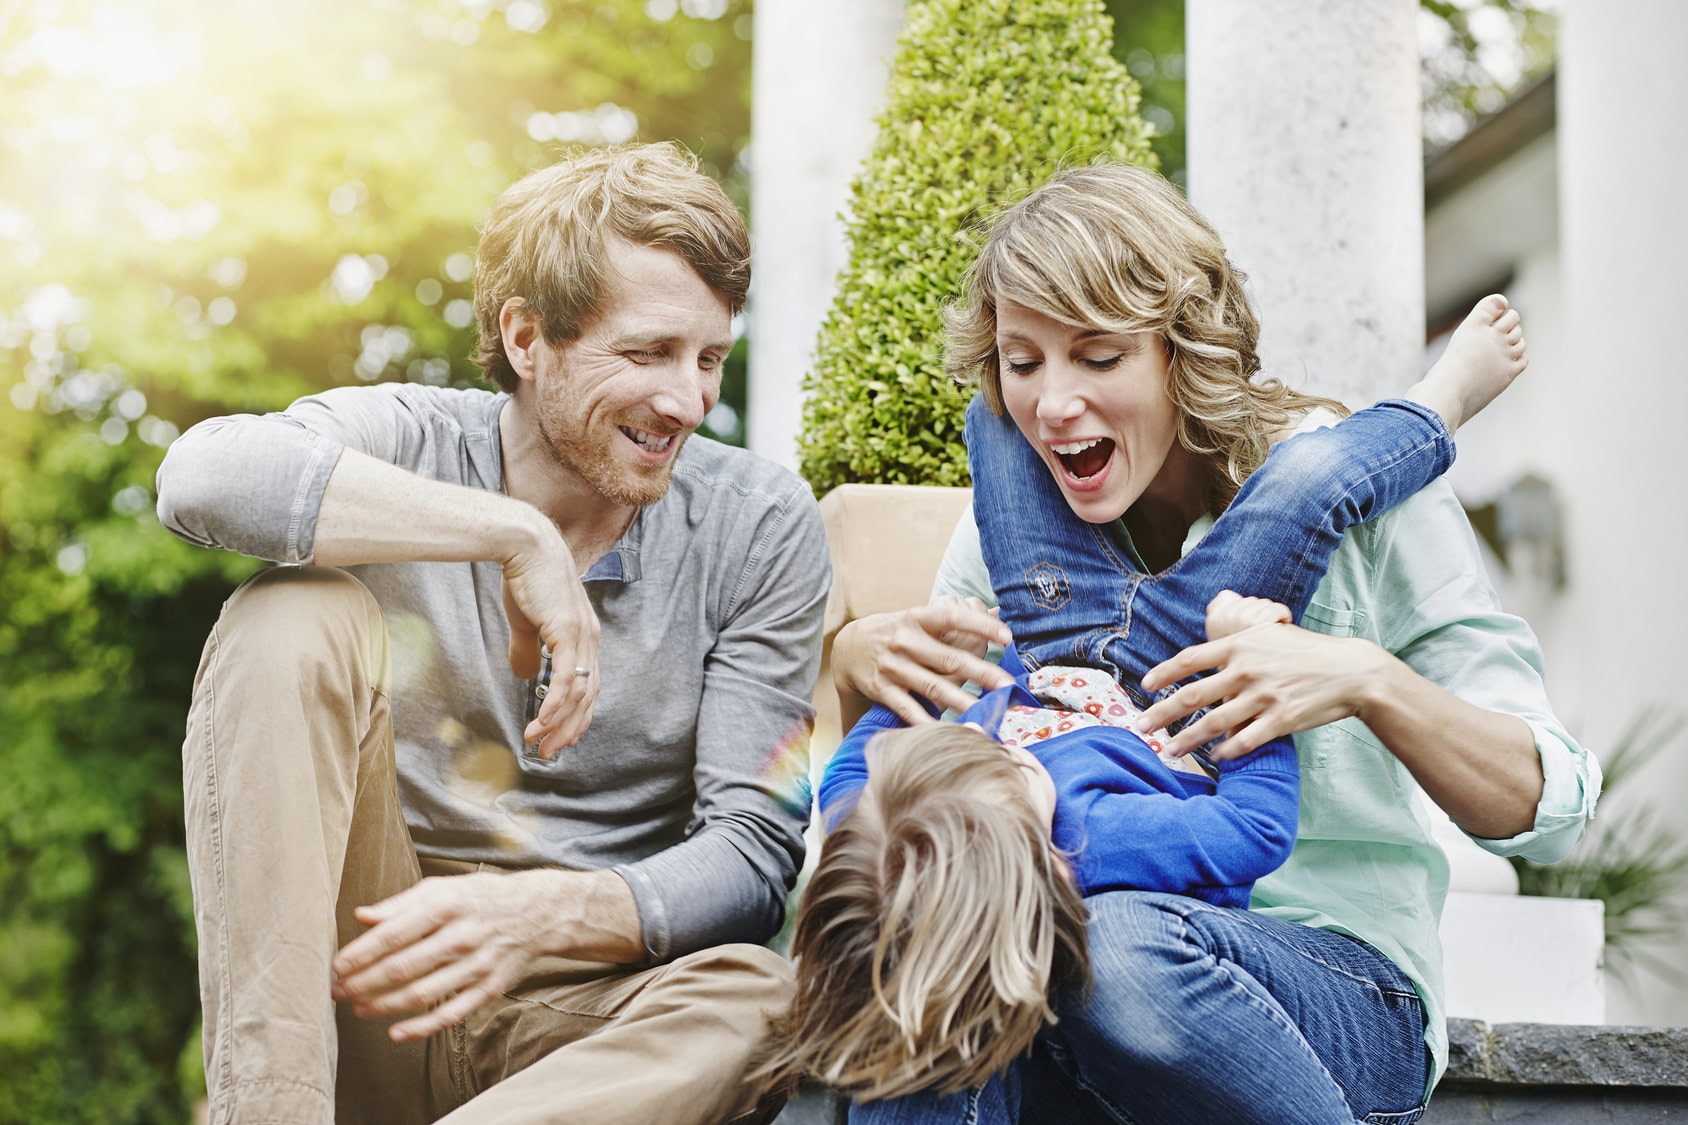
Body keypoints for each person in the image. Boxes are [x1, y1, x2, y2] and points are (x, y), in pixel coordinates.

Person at [828, 162, 1600, 1124]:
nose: (1054, 404)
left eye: (1099, 357)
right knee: (932, 965)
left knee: (1119, 952)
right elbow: (934, 783)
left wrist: (1362, 680)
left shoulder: (1362, 503)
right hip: (1060, 959)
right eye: (1023, 364)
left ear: (1181, 353)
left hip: (1333, 980)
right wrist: (857, 667)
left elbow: (1550, 802)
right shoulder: (1013, 530)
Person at [155, 143, 831, 1125]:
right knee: (290, 613)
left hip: (595, 1029)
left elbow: (753, 854)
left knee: (761, 999)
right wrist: (510, 533)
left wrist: (545, 913)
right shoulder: (411, 439)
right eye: (646, 354)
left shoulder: (759, 522)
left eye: (708, 358)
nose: (688, 401)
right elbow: (202, 479)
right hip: (373, 985)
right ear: (526, 337)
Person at [768, 312, 1518, 1101]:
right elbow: (1253, 828)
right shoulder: (1096, 837)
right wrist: (1239, 687)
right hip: (1187, 656)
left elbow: (855, 771)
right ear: (1047, 871)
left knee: (995, 417)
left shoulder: (893, 809)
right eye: (1015, 799)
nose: (1004, 757)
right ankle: (1439, 404)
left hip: (1062, 633)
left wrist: (867, 671)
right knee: (1302, 493)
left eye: (1096, 356)